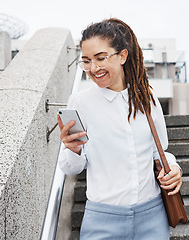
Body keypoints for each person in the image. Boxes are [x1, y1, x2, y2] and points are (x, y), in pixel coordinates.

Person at [57, 18, 182, 240]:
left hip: (152, 216)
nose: (93, 68)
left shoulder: (147, 99)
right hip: (102, 220)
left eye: (100, 58)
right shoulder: (80, 102)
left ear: (122, 56)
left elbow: (160, 151)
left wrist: (173, 169)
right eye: (86, 61)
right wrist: (73, 149)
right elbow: (71, 167)